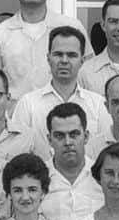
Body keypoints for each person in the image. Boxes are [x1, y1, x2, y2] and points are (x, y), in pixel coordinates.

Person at [12, 25, 110, 157]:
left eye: (71, 55)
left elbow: (106, 152)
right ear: (48, 58)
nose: (64, 61)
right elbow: (18, 153)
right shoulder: (28, 104)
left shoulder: (98, 105)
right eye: (58, 54)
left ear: (82, 60)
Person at [40, 103, 104, 220]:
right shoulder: (37, 180)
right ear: (49, 140)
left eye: (74, 134)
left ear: (86, 136)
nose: (68, 142)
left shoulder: (103, 177)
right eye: (59, 136)